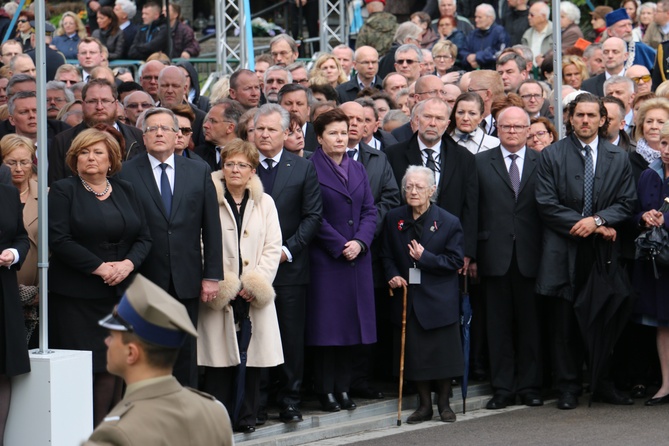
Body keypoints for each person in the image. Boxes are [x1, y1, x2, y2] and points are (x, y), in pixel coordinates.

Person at [535, 93, 637, 410]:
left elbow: (627, 202)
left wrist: (597, 221)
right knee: (564, 321)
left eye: (592, 116)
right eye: (580, 115)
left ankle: (601, 382)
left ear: (603, 119)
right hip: (564, 249)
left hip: (603, 252)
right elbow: (545, 203)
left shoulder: (617, 157)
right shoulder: (551, 155)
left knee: (603, 317)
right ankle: (567, 387)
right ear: (570, 117)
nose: (585, 121)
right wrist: (583, 223)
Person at [48, 127, 152, 426]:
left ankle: (109, 431)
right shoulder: (65, 190)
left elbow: (144, 238)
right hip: (76, 297)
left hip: (119, 294)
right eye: (83, 152)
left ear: (111, 160)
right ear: (74, 158)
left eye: (97, 152)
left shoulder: (126, 189)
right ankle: (84, 432)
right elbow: (59, 239)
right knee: (85, 366)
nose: (90, 158)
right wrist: (102, 267)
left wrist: (127, 265)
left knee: (114, 366)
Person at [117, 108, 223, 390]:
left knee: (185, 353)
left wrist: (212, 275)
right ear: (143, 136)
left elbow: (211, 226)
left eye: (166, 128)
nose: (159, 133)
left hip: (186, 278)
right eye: (152, 129)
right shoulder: (126, 172)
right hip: (143, 278)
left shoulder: (198, 170)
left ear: (180, 135)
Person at [84, 274, 233, 445]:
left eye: (112, 336)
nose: (106, 341)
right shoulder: (215, 412)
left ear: (132, 353)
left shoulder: (115, 433)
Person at [197, 139, 283, 433]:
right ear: (221, 167)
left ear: (253, 170)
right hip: (218, 291)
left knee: (254, 361)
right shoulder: (206, 196)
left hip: (252, 293)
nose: (235, 169)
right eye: (229, 163)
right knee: (218, 362)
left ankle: (246, 418)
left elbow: (273, 246)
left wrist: (254, 283)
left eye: (242, 165)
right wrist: (222, 283)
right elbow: (198, 242)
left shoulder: (265, 202)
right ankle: (218, 422)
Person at [253, 104, 322, 424]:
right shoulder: (243, 164)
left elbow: (312, 216)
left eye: (271, 129)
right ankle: (257, 400)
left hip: (289, 268)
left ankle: (290, 399)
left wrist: (286, 251)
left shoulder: (303, 166)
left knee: (291, 337)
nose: (264, 135)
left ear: (286, 133)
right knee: (256, 335)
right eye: (259, 129)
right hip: (250, 269)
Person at [381, 165, 464, 423]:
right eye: (409, 186)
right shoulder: (395, 218)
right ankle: (424, 405)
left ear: (432, 190)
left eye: (419, 187)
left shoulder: (448, 222)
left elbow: (454, 261)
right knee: (416, 356)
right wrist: (392, 275)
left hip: (439, 299)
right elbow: (385, 254)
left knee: (442, 356)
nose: (413, 191)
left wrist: (424, 258)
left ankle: (444, 403)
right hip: (409, 297)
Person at [307, 108, 376, 413]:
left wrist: (360, 241)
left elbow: (370, 211)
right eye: (332, 133)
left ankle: (344, 388)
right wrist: (340, 244)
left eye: (343, 131)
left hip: (356, 259)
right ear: (319, 138)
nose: (340, 137)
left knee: (350, 330)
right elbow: (312, 215)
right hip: (327, 261)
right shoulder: (309, 167)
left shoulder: (358, 168)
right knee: (327, 330)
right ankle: (326, 390)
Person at [476, 106, 543, 410]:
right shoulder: (479, 162)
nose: (512, 131)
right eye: (506, 127)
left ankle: (529, 386)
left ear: (529, 130)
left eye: (519, 126)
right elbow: (472, 210)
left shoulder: (544, 162)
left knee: (531, 326)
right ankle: (502, 387)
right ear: (497, 129)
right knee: (498, 326)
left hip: (533, 255)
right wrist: (471, 254)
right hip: (494, 255)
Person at [385, 98, 478, 267]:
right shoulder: (393, 155)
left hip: (448, 250)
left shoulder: (464, 158)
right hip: (404, 246)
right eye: (427, 117)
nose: (433, 123)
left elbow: (470, 206)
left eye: (439, 118)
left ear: (448, 123)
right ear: (416, 119)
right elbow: (390, 201)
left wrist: (467, 251)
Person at [48, 79, 146, 185]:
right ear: (83, 104)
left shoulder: (137, 136)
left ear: (116, 104)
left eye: (105, 101)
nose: (99, 107)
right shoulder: (63, 141)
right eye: (92, 101)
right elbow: (56, 186)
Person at [633, 120, 669, 407]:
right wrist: (644, 218)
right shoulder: (648, 173)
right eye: (665, 143)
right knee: (662, 323)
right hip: (657, 260)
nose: (667, 149)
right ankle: (666, 384)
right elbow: (633, 210)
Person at [0, 176, 29, 444]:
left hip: (3, 290)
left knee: (1, 372)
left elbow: (21, 237)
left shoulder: (8, 193)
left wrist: (13, 253)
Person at [1, 135, 38, 342]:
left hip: (36, 288)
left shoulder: (48, 195)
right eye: (11, 162)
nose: (18, 168)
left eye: (24, 162)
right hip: (6, 283)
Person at [460, 4, 510, 71]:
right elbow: (462, 51)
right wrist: (468, 58)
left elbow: (501, 53)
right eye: (475, 17)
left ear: (490, 18)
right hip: (473, 72)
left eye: (479, 17)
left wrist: (478, 57)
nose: (476, 20)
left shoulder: (500, 32)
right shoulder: (472, 34)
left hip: (493, 72)